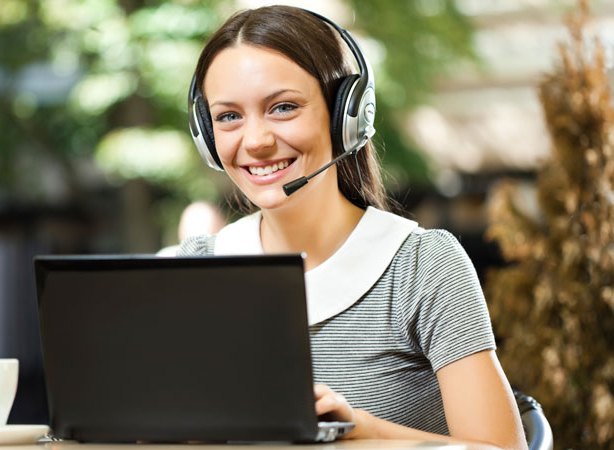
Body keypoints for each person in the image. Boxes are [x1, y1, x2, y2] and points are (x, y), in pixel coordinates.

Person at [178, 6, 527, 450]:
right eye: (228, 116)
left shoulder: (423, 266)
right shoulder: (198, 267)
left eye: (283, 107)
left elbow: (500, 449)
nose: (256, 141)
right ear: (206, 134)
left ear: (347, 115)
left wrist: (362, 431)